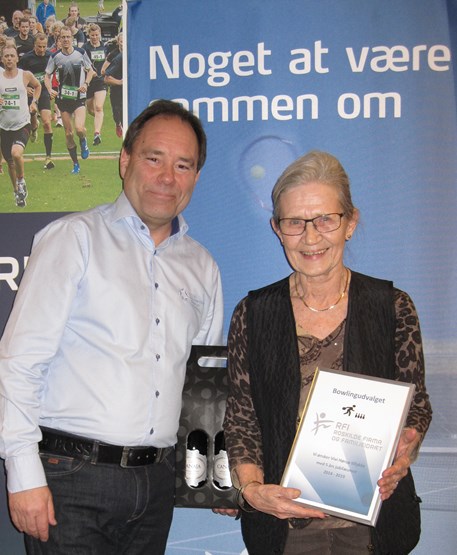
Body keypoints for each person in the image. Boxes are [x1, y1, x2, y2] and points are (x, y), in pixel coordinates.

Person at [0, 99, 223, 554]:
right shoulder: (74, 239)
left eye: (183, 165)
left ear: (196, 177)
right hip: (70, 481)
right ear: (125, 161)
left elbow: (202, 388)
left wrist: (216, 478)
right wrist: (23, 472)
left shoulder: (203, 267)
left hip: (156, 486)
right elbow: (20, 361)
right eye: (153, 158)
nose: (167, 177)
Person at [222, 151, 432, 555]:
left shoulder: (392, 307)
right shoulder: (254, 313)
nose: (311, 237)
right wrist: (251, 489)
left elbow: (416, 406)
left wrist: (407, 445)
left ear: (350, 223)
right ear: (277, 229)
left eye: (325, 219)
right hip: (284, 529)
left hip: (375, 528)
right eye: (294, 222)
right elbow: (242, 418)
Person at [44, 26, 95, 174]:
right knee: (68, 133)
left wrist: (85, 84)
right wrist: (49, 89)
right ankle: (75, 164)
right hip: (63, 99)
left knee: (79, 129)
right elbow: (47, 75)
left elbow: (91, 71)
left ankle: (83, 141)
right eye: (63, 37)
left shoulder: (80, 53)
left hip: (79, 98)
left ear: (72, 38)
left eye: (68, 37)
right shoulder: (55, 56)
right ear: (59, 39)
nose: (66, 40)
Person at [0, 44, 41, 207]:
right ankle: (17, 191)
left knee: (16, 154)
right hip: (4, 127)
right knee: (10, 163)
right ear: (2, 59)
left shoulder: (25, 75)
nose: (9, 59)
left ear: (17, 58)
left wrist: (34, 102)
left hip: (22, 123)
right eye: (6, 56)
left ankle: (21, 181)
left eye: (12, 56)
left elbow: (38, 86)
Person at [19, 32, 55, 168]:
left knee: (47, 122)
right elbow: (19, 76)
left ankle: (48, 158)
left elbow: (53, 75)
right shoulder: (26, 59)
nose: (42, 49)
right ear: (34, 45)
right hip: (30, 92)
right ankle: (34, 128)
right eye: (39, 46)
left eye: (44, 46)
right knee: (32, 120)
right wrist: (26, 88)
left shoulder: (50, 56)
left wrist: (51, 89)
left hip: (44, 91)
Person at [83, 23, 107, 145]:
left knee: (99, 107)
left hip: (101, 81)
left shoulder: (105, 47)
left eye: (97, 35)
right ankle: (99, 117)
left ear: (100, 34)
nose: (95, 37)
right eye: (92, 35)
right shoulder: (85, 48)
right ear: (89, 35)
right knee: (91, 110)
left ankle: (97, 134)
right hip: (89, 81)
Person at [102, 32, 123, 138]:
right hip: (115, 86)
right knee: (116, 111)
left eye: (125, 41)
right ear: (118, 42)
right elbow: (103, 71)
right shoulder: (115, 55)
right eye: (121, 41)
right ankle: (117, 124)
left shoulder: (131, 53)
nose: (123, 44)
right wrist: (118, 80)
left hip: (125, 89)